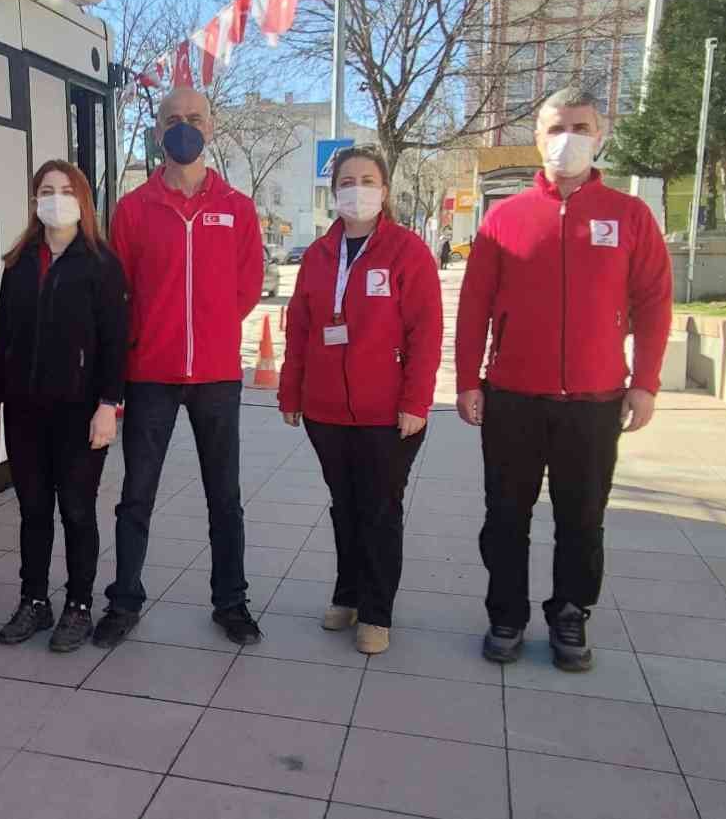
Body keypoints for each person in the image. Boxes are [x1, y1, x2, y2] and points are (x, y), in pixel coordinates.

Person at [455, 87, 673, 672]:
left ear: (601, 136)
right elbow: (474, 306)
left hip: (595, 401)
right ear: (537, 138)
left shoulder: (629, 216)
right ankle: (505, 613)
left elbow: (655, 303)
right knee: (505, 515)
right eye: (556, 128)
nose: (567, 139)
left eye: (580, 126)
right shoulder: (504, 219)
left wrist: (645, 382)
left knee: (582, 517)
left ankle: (571, 611)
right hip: (512, 399)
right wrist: (467, 381)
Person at [95, 86, 265, 648]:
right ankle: (123, 600)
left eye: (194, 118)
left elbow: (246, 289)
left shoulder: (237, 208)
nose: (183, 127)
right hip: (151, 375)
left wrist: (210, 331)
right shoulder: (134, 209)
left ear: (210, 127)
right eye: (173, 119)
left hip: (216, 376)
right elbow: (121, 294)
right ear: (159, 129)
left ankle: (231, 601)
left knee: (225, 496)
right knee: (137, 494)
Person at [277, 149, 443, 656]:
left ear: (385, 189)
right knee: (344, 507)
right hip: (326, 412)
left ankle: (376, 611)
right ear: (333, 191)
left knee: (379, 509)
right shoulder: (319, 254)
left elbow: (426, 332)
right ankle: (347, 593)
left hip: (388, 414)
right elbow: (301, 329)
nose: (356, 189)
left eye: (367, 180)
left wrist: (416, 400)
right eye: (346, 181)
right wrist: (291, 390)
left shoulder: (406, 251)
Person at [0, 160, 128, 652]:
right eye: (46, 190)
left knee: (79, 512)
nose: (55, 198)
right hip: (25, 412)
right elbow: (2, 338)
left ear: (82, 200)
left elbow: (114, 342)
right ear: (34, 199)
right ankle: (34, 601)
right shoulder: (20, 261)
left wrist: (109, 404)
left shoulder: (102, 263)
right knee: (34, 510)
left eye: (66, 190)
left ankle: (79, 606)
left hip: (81, 412)